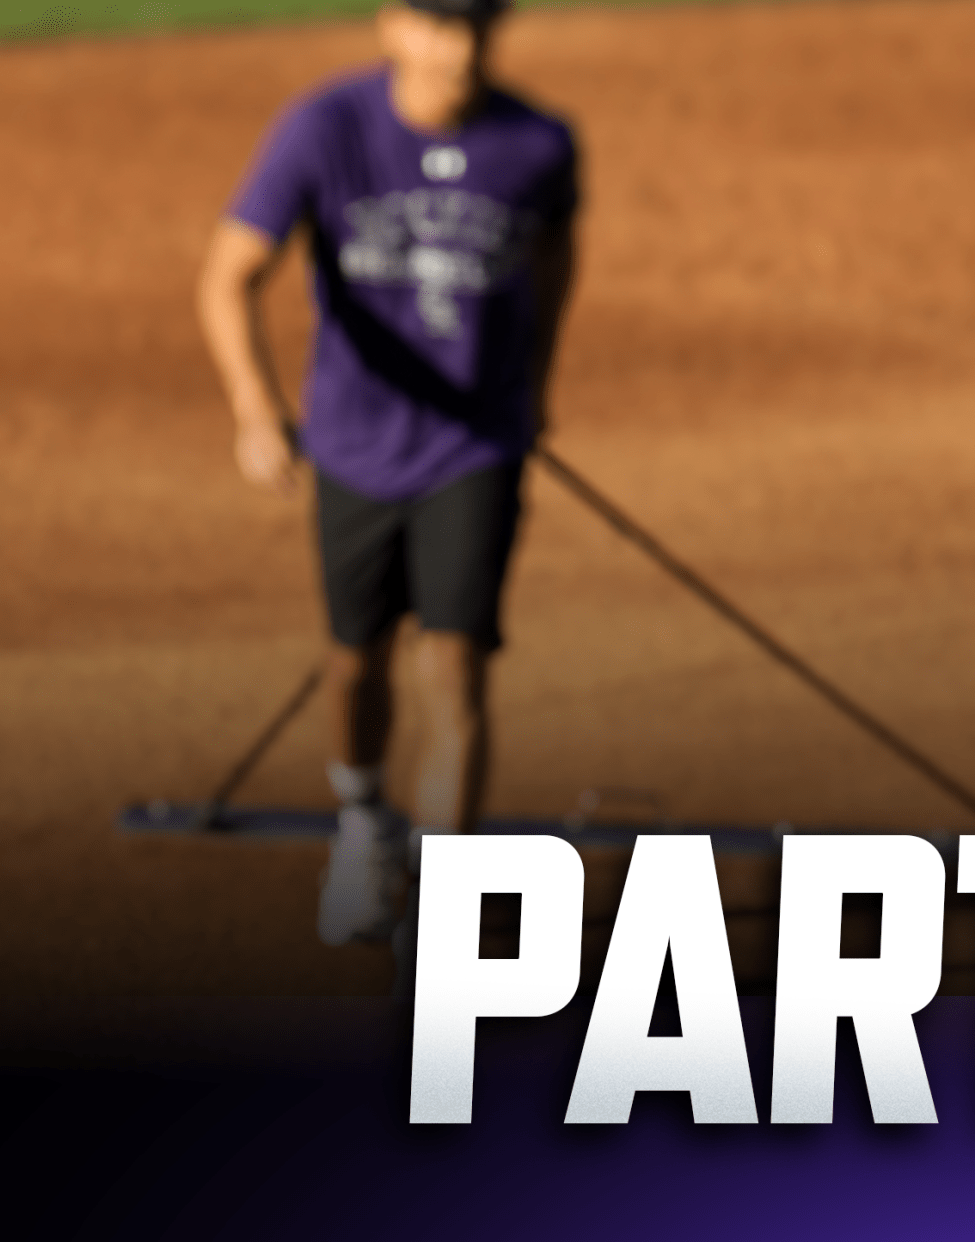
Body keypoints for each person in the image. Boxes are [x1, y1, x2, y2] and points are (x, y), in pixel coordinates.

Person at [197, 0, 578, 944]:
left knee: (453, 663)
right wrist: (255, 413)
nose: (462, 46)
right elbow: (227, 275)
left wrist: (533, 384)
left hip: (474, 447)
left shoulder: (539, 144)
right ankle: (365, 822)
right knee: (353, 661)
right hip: (355, 447)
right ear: (392, 27)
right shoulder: (325, 129)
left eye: (478, 23)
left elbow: (553, 257)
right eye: (442, 22)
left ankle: (446, 908)